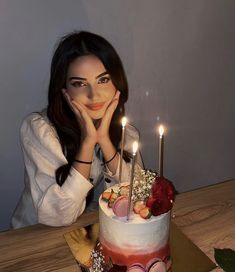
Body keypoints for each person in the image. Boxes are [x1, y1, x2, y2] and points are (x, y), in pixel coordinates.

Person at [11, 31, 142, 229]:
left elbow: (138, 197)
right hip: (35, 236)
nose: (94, 95)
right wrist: (88, 142)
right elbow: (57, 217)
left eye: (103, 80)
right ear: (64, 89)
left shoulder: (126, 132)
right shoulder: (39, 130)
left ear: (117, 83)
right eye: (80, 84)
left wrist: (105, 141)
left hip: (85, 230)